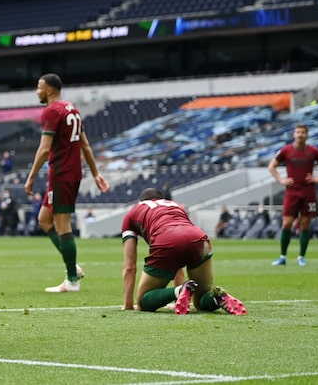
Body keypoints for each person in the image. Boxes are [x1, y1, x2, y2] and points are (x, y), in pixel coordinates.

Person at [24, 73, 109, 292]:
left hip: (62, 173)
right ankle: (73, 266)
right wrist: (95, 173)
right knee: (44, 219)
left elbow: (44, 149)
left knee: (62, 225)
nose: (37, 91)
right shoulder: (72, 109)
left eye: (39, 87)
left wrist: (31, 176)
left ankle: (72, 280)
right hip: (71, 173)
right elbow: (86, 145)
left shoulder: (51, 111)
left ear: (49, 90)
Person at [121, 188, 246, 315]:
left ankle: (179, 290)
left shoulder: (133, 213)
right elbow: (179, 255)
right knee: (200, 301)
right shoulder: (176, 206)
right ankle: (217, 297)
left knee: (143, 300)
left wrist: (128, 305)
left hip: (167, 240)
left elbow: (129, 266)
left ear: (140, 201)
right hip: (199, 238)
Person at [268, 123, 318, 266]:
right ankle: (282, 256)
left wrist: (317, 179)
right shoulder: (286, 150)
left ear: (307, 135)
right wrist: (281, 179)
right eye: (298, 132)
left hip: (308, 192)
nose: (300, 134)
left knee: (305, 224)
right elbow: (272, 166)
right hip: (292, 192)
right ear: (294, 134)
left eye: (303, 132)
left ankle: (301, 257)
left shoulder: (314, 151)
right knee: (287, 223)